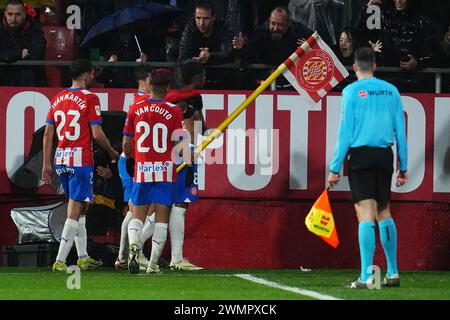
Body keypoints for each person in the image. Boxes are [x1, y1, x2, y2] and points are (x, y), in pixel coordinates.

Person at [328, 47, 407, 288]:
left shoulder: (351, 91)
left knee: (365, 214)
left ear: (354, 67)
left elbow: (345, 133)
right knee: (384, 211)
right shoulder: (391, 91)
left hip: (361, 156)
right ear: (375, 65)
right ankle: (392, 273)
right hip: (385, 156)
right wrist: (402, 165)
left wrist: (334, 167)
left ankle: (366, 276)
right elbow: (400, 131)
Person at [42, 59, 119, 272]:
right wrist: (112, 151)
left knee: (82, 206)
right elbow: (97, 133)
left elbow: (49, 133)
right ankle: (60, 260)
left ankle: (83, 256)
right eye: (92, 73)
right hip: (80, 159)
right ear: (87, 73)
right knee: (75, 209)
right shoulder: (90, 98)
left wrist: (46, 164)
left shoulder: (57, 98)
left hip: (61, 159)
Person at [122, 69, 186, 274]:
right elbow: (178, 143)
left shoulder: (135, 108)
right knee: (161, 219)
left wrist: (132, 158)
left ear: (150, 84)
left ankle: (134, 246)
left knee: (137, 215)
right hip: (165, 170)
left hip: (142, 168)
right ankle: (152, 265)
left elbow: (126, 143)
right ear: (168, 87)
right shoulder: (174, 111)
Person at [165, 60, 208, 270]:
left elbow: (201, 126)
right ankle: (176, 258)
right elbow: (192, 128)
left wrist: (209, 133)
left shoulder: (183, 98)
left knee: (171, 204)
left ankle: (130, 254)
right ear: (196, 77)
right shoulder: (185, 100)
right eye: (203, 74)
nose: (205, 78)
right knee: (180, 203)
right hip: (183, 153)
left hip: (181, 152)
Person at [115, 66, 156, 271]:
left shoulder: (136, 101)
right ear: (144, 80)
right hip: (134, 162)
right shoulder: (143, 102)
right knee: (140, 211)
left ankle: (125, 256)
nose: (154, 83)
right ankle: (133, 252)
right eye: (152, 79)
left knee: (135, 212)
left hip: (134, 161)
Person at [0, 0, 46, 86]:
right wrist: (19, 53)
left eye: (18, 14)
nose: (13, 19)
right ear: (5, 14)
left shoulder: (35, 28)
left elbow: (37, 52)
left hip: (30, 81)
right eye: (10, 14)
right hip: (3, 82)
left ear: (24, 15)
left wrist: (8, 55)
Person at [178, 0, 233, 64]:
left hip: (221, 71)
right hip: (196, 70)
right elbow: (183, 57)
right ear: (194, 16)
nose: (201, 23)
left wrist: (210, 56)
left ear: (213, 17)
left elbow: (227, 54)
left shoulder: (223, 28)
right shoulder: (190, 28)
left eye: (206, 18)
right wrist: (196, 61)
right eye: (198, 18)